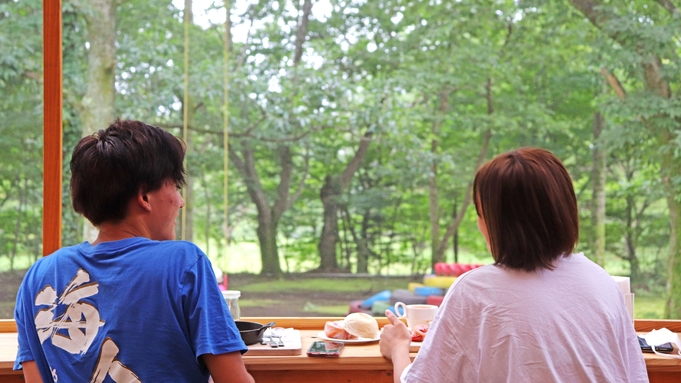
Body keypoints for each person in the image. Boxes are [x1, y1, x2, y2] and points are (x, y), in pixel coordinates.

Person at [14, 120, 254, 383]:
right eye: (175, 186)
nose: (180, 201)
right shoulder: (183, 263)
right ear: (144, 197)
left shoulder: (38, 276)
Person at [380, 147, 648, 382]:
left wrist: (399, 347)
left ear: (495, 222)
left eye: (480, 214)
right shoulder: (601, 281)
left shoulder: (475, 291)